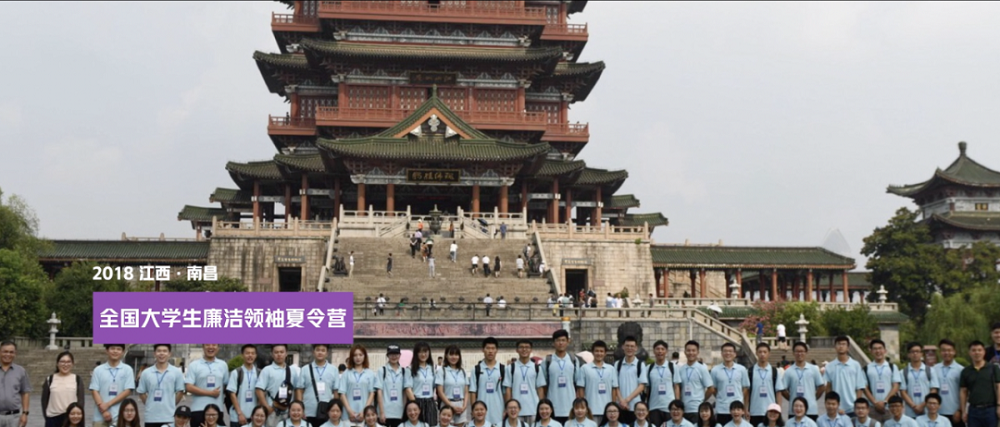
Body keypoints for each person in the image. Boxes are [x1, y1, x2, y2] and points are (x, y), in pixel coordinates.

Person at [137, 344, 185, 427]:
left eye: (164, 351)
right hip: (151, 417)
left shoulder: (176, 372)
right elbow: (141, 392)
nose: (161, 353)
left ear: (169, 354)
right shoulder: (146, 373)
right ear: (154, 354)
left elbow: (180, 391)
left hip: (169, 417)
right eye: (159, 351)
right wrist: (149, 403)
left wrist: (171, 403)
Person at [539, 330, 581, 424]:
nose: (560, 343)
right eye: (558, 340)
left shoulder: (573, 360)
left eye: (563, 340)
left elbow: (578, 383)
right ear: (553, 343)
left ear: (568, 341)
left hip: (570, 406)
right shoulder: (547, 361)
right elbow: (543, 384)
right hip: (552, 407)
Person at [257, 344, 301, 427]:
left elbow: (297, 390)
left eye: (281, 352)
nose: (279, 354)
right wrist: (266, 407)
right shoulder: (267, 370)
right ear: (272, 354)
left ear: (286, 353)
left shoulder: (293, 371)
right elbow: (259, 390)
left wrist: (298, 407)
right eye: (276, 352)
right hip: (272, 410)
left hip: (289, 411)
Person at [91, 344, 135, 427]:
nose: (115, 351)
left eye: (118, 349)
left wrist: (108, 404)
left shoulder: (127, 369)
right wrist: (103, 411)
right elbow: (94, 390)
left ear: (123, 352)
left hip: (120, 416)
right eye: (112, 348)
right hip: (100, 416)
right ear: (107, 350)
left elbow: (128, 390)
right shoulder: (98, 370)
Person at [958, 340, 1000, 427]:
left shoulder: (993, 368)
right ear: (969, 353)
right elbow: (963, 391)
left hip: (990, 409)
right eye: (973, 350)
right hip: (973, 411)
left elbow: (998, 386)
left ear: (984, 352)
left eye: (979, 350)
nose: (977, 353)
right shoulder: (966, 371)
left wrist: (999, 405)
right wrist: (963, 411)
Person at [780, 342, 825, 422]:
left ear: (806, 352)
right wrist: (791, 398)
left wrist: (813, 398)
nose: (799, 354)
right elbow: (783, 389)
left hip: (811, 410)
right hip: (794, 410)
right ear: (793, 353)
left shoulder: (814, 369)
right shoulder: (788, 371)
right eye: (797, 351)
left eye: (802, 351)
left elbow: (821, 386)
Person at [577, 341, 619, 425]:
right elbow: (581, 389)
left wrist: (613, 406)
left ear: (605, 353)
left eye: (601, 351)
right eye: (596, 351)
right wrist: (583, 407)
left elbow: (614, 389)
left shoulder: (611, 369)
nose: (599, 353)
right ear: (592, 352)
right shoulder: (585, 368)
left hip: (607, 411)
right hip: (591, 409)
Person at [824, 337, 865, 417]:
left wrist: (857, 405)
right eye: (839, 344)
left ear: (848, 347)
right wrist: (829, 404)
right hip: (835, 408)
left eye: (843, 344)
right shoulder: (830, 366)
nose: (841, 346)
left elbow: (860, 387)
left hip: (852, 408)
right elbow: (828, 387)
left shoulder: (855, 365)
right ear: (835, 347)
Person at [338, 345, 378, 427]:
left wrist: (364, 411)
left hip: (364, 414)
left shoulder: (370, 373)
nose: (358, 358)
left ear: (364, 356)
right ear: (351, 357)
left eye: (360, 355)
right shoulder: (346, 373)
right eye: (355, 355)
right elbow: (342, 394)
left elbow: (372, 394)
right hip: (348, 414)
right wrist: (349, 411)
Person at [504, 341, 542, 425]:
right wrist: (508, 408)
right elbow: (508, 389)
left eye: (527, 347)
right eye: (521, 347)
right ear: (517, 350)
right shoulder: (510, 368)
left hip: (533, 409)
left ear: (531, 350)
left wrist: (541, 407)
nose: (524, 349)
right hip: (515, 411)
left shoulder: (537, 368)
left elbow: (540, 389)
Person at [299, 344, 338, 427]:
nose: (320, 352)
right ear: (313, 352)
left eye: (323, 350)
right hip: (308, 411)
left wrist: (335, 410)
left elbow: (336, 392)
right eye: (318, 350)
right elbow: (299, 390)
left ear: (327, 353)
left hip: (327, 412)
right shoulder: (305, 369)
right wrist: (300, 409)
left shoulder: (333, 370)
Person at [710, 343, 749, 426]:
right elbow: (714, 389)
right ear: (721, 353)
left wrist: (739, 397)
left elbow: (745, 388)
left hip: (737, 409)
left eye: (730, 351)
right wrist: (721, 396)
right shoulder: (715, 370)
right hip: (722, 409)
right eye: (725, 351)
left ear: (735, 354)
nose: (728, 353)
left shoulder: (742, 369)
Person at [43, 351, 85, 427]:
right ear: (57, 363)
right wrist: (47, 417)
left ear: (72, 364)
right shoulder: (50, 379)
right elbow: (44, 401)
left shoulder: (77, 379)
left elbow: (81, 401)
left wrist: (76, 416)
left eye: (68, 362)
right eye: (62, 361)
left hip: (70, 419)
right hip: (52, 419)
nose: (65, 364)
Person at [864, 340, 901, 424]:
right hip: (873, 408)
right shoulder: (866, 368)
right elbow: (865, 388)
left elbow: (896, 386)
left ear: (885, 350)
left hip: (890, 407)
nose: (878, 351)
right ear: (871, 351)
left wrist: (885, 401)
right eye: (875, 349)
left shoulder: (892, 367)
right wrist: (875, 403)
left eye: (880, 348)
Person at [471, 338, 506, 426]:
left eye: (493, 348)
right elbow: (473, 392)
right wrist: (473, 410)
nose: (490, 351)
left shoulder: (503, 369)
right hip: (480, 413)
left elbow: (506, 392)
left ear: (497, 350)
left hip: (498, 411)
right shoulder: (476, 369)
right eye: (488, 348)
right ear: (483, 350)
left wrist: (506, 409)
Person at [615, 336, 648, 425]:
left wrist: (626, 400)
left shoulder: (640, 365)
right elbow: (615, 385)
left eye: (632, 346)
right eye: (627, 346)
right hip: (620, 406)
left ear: (636, 348)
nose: (629, 348)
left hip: (635, 407)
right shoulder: (618, 364)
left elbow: (641, 386)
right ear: (623, 347)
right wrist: (621, 401)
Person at [679, 341, 714, 425]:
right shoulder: (681, 369)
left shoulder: (702, 368)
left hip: (697, 409)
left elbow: (711, 389)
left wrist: (702, 400)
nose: (691, 353)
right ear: (685, 352)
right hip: (684, 409)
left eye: (693, 350)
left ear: (698, 352)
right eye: (688, 350)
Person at [901, 342, 939, 418]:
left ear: (922, 354)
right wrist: (913, 406)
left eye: (917, 351)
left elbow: (934, 390)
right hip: (910, 412)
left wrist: (922, 405)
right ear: (908, 354)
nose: (915, 354)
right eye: (912, 352)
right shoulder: (903, 372)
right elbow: (903, 392)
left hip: (927, 411)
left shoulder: (930, 370)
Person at [646, 341, 679, 427]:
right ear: (654, 351)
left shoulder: (673, 367)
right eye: (657, 349)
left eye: (662, 349)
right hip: (654, 407)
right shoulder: (649, 368)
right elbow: (647, 388)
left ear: (666, 351)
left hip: (669, 407)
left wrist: (677, 405)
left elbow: (676, 386)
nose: (660, 351)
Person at [748, 343, 782, 427]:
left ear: (769, 353)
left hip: (771, 411)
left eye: (765, 352)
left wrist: (779, 409)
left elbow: (778, 392)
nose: (762, 354)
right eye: (760, 352)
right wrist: (746, 409)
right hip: (754, 411)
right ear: (756, 353)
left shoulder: (775, 371)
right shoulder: (750, 371)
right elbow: (747, 392)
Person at [931, 339, 962, 427]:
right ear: (940, 352)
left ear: (954, 352)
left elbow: (964, 392)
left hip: (955, 412)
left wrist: (960, 410)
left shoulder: (960, 370)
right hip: (938, 412)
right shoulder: (934, 369)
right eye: (944, 350)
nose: (947, 353)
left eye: (949, 350)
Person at [436, 346, 468, 427]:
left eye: (456, 355)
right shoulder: (442, 371)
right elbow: (440, 392)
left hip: (460, 405)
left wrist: (464, 406)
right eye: (451, 354)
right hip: (447, 405)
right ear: (446, 356)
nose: (454, 357)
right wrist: (451, 405)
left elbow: (466, 392)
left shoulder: (462, 371)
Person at [229, 345, 261, 427]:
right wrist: (240, 414)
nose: (250, 355)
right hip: (237, 417)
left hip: (254, 417)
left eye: (252, 353)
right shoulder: (236, 372)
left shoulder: (259, 373)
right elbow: (232, 394)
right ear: (242, 355)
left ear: (256, 355)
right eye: (247, 353)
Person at [377, 345, 409, 427]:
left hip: (399, 413)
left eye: (396, 354)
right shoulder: (382, 370)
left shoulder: (404, 371)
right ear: (387, 355)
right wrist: (381, 412)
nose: (394, 357)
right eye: (391, 354)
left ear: (400, 355)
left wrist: (403, 412)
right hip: (385, 412)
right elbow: (379, 392)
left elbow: (405, 394)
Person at [408, 343, 438, 427]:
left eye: (425, 352)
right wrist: (415, 405)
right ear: (416, 354)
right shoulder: (410, 369)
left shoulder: (432, 368)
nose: (423, 354)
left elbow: (435, 386)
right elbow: (408, 389)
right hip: (417, 400)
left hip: (430, 402)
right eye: (420, 352)